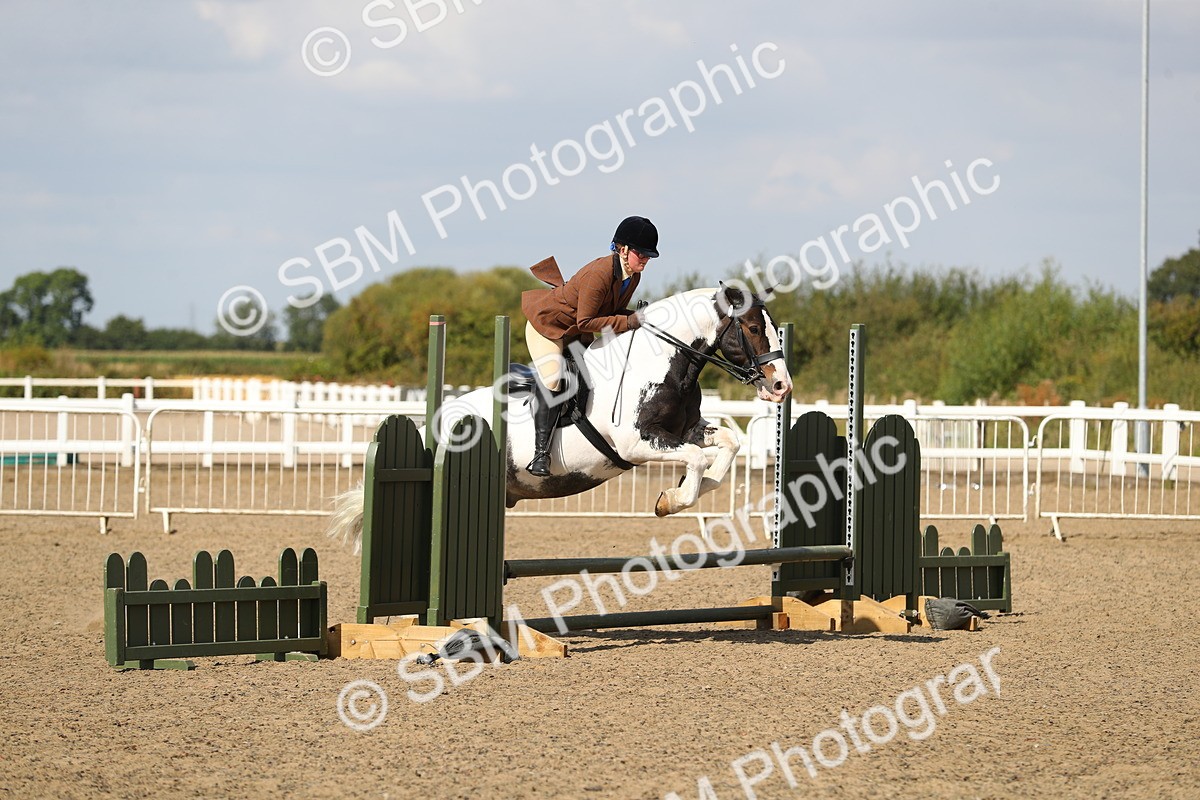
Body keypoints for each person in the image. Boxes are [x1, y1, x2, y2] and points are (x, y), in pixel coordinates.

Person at [519, 215, 660, 476]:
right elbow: (586, 321)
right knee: (554, 380)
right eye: (641, 254)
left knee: (597, 374)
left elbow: (611, 311)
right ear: (623, 249)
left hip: (575, 332)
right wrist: (628, 322)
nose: (645, 260)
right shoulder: (599, 273)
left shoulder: (632, 276)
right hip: (549, 327)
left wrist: (642, 316)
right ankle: (540, 454)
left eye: (648, 256)